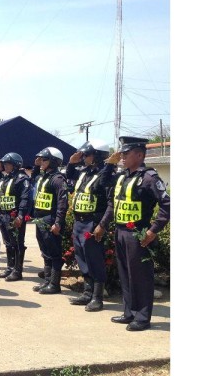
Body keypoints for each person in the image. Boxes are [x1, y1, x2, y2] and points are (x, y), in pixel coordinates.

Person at [102, 136, 170, 331]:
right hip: (121, 232)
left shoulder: (149, 177)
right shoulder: (123, 176)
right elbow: (103, 183)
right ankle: (129, 312)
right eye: (121, 153)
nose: (122, 156)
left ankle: (142, 317)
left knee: (140, 277)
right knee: (125, 274)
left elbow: (167, 204)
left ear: (139, 155)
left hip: (138, 235)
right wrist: (109, 164)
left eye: (126, 153)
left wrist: (153, 230)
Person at [66, 139, 112, 311]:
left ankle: (97, 298)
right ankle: (87, 292)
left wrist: (102, 225)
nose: (84, 158)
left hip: (93, 222)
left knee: (95, 259)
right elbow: (69, 176)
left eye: (87, 155)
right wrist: (72, 163)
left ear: (98, 156)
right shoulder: (84, 172)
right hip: (79, 221)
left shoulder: (106, 174)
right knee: (81, 257)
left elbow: (111, 203)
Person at [31, 147, 69, 295]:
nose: (41, 161)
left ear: (53, 162)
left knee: (54, 253)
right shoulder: (44, 177)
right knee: (45, 251)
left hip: (50, 218)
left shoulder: (57, 178)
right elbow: (33, 178)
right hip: (40, 218)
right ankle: (47, 281)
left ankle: (54, 284)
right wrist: (36, 165)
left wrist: (58, 222)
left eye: (44, 159)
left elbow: (62, 202)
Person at [0, 153, 31, 281]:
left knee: (17, 244)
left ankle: (17, 270)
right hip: (3, 215)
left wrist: (20, 216)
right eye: (4, 164)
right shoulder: (5, 178)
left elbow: (25, 199)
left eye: (7, 164)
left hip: (13, 216)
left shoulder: (22, 179)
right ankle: (10, 268)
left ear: (15, 165)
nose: (5, 166)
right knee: (8, 243)